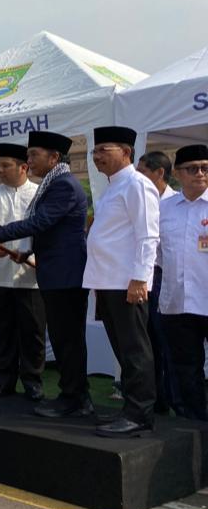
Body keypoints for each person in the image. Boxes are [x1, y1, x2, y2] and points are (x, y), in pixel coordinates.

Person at [0, 130, 91, 419]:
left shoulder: (60, 185)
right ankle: (71, 396)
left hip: (64, 275)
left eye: (34, 154)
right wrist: (23, 252)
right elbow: (45, 229)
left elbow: (39, 222)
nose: (30, 159)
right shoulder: (52, 183)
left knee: (66, 340)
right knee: (61, 339)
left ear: (54, 157)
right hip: (50, 274)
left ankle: (75, 398)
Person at [84, 126, 159, 438]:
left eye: (104, 150)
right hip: (107, 281)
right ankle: (130, 408)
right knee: (121, 348)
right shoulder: (112, 187)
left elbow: (148, 234)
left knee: (135, 349)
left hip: (127, 283)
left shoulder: (137, 184)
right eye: (95, 150)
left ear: (126, 152)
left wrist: (140, 278)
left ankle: (139, 413)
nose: (97, 156)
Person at [0, 143, 45, 400]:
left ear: (23, 167)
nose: (0, 170)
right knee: (3, 331)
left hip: (32, 278)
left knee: (33, 333)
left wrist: (29, 253)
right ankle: (4, 380)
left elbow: (41, 228)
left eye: (6, 165)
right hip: (0, 277)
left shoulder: (39, 194)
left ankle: (33, 382)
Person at [158, 144, 208, 420]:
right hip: (177, 303)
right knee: (185, 370)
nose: (200, 173)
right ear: (177, 173)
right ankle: (193, 426)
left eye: (205, 168)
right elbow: (156, 254)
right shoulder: (164, 209)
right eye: (192, 168)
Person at [136, 151, 181, 415]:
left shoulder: (174, 203)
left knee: (168, 344)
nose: (138, 176)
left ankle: (178, 402)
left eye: (142, 171)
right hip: (144, 279)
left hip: (165, 279)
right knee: (148, 342)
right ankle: (156, 400)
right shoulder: (141, 199)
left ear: (159, 173)